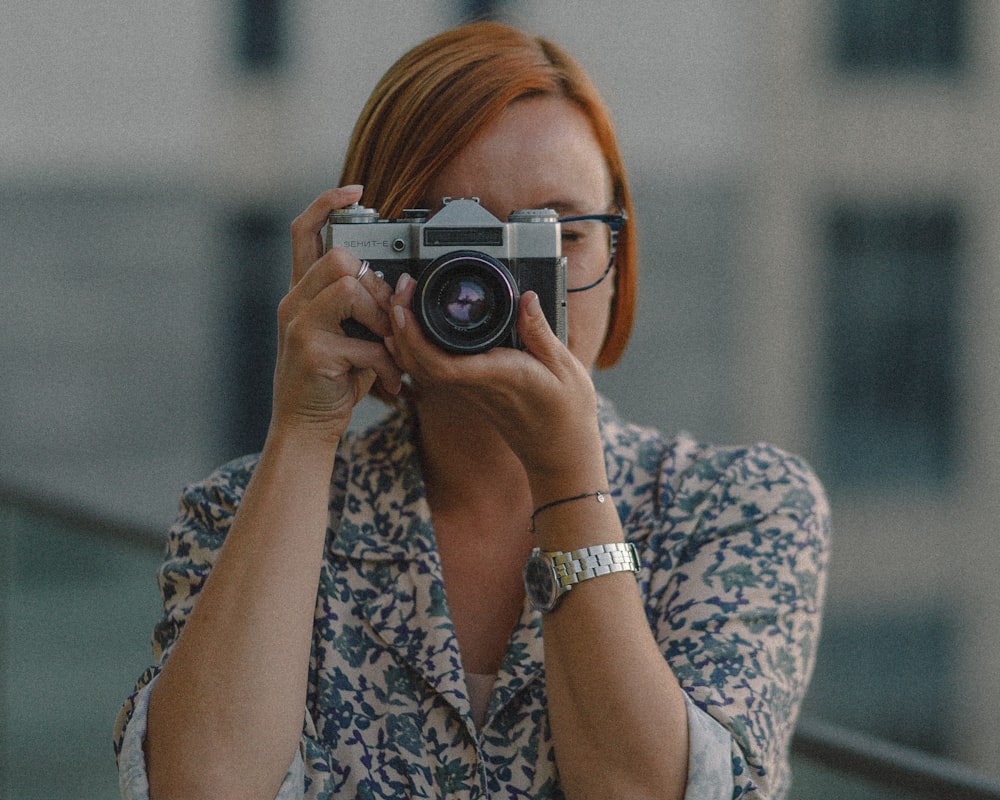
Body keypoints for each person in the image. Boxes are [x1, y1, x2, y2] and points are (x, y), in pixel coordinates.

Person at [114, 20, 829, 800]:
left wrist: (567, 480)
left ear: (618, 259)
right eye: (451, 235)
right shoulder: (239, 514)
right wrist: (306, 429)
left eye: (554, 232)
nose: (499, 286)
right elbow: (198, 788)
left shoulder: (740, 509)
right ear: (368, 251)